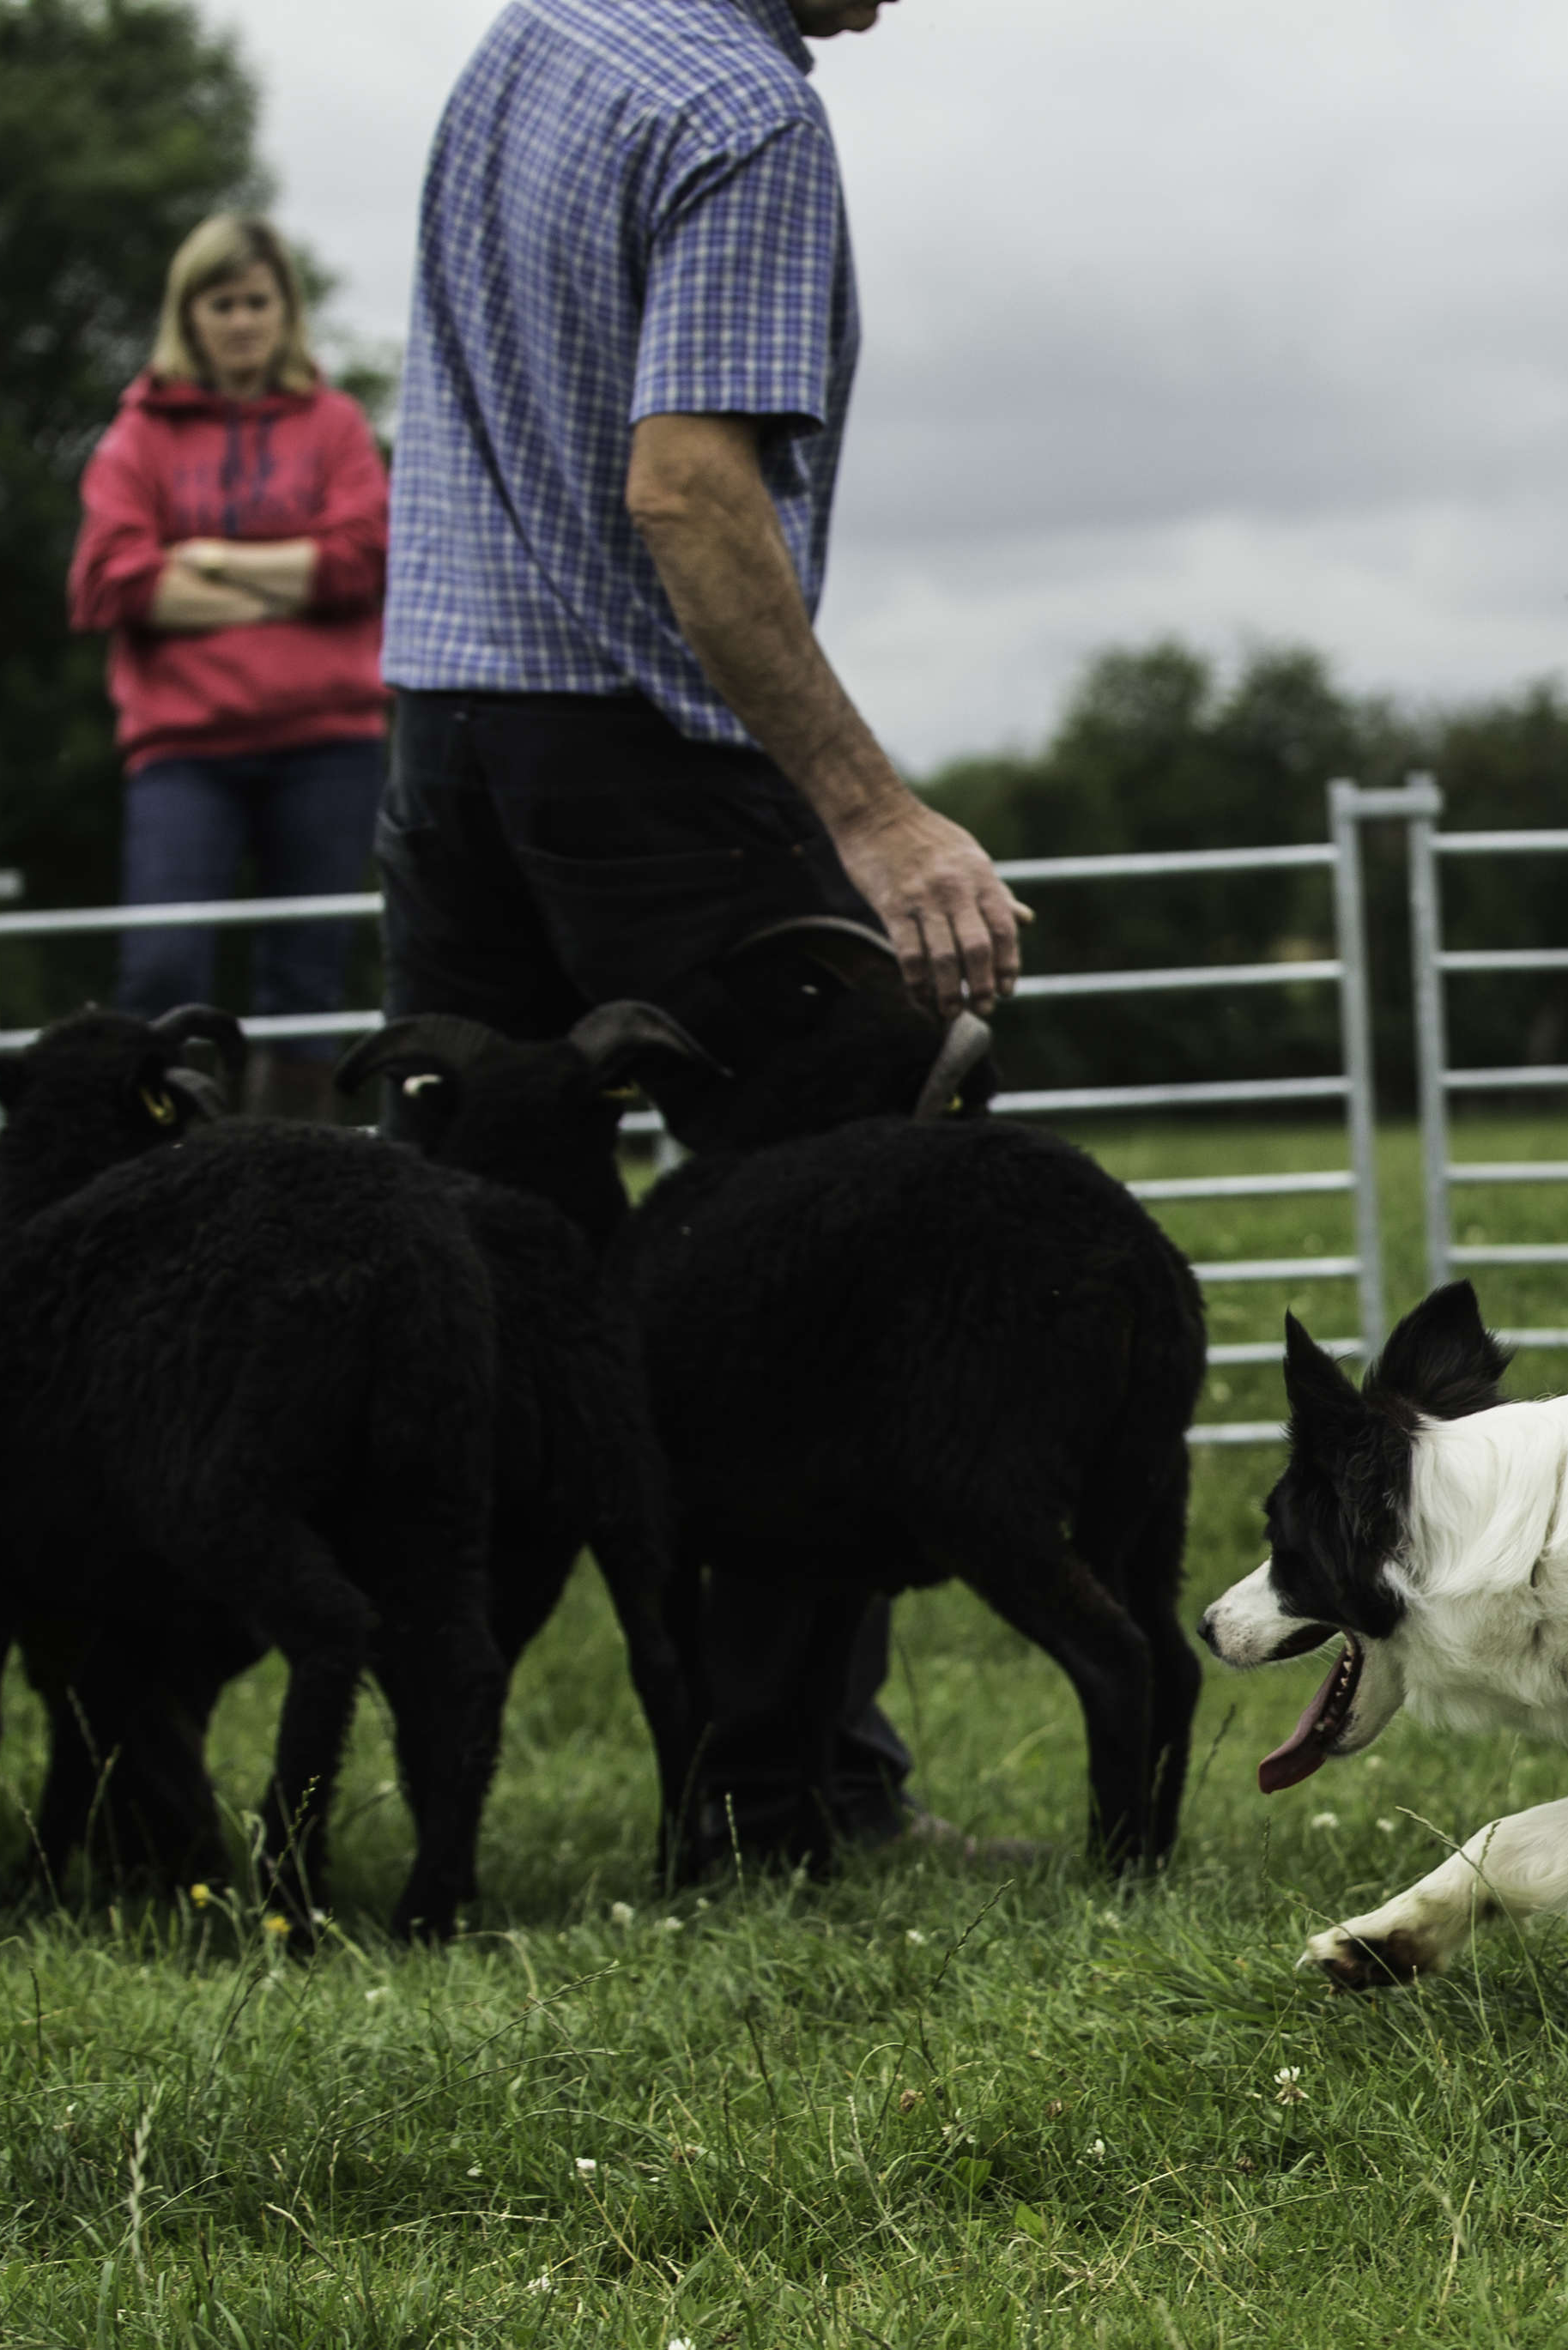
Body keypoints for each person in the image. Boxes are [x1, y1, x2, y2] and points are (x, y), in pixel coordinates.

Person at [381, 0, 1028, 1874]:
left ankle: (429, 1797)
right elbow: (684, 484)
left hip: (446, 737)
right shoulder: (744, 116)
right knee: (836, 1218)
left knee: (472, 1277)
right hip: (640, 751)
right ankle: (787, 1790)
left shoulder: (539, 38)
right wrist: (870, 811)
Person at [68, 215, 390, 1122]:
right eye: (223, 304)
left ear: (286, 311)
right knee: (162, 967)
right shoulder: (139, 436)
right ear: (190, 315)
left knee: (308, 980)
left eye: (257, 301)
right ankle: (159, 1159)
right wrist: (290, 586)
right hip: (183, 749)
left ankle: (288, 1173)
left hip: (329, 742)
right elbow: (111, 582)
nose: (243, 321)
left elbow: (364, 560)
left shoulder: (335, 425)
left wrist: (207, 558)